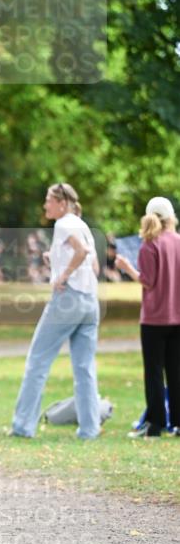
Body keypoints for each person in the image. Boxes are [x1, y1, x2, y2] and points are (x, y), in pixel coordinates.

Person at [10, 183, 101, 440]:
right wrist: (58, 260)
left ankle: (22, 426)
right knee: (85, 368)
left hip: (68, 300)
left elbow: (81, 253)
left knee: (37, 360)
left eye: (49, 200)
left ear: (62, 203)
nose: (45, 205)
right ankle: (89, 429)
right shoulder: (82, 225)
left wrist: (64, 274)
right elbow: (93, 265)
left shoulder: (63, 224)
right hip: (90, 302)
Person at [114, 196, 180, 438]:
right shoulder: (178, 242)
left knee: (154, 372)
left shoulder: (150, 244)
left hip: (154, 319)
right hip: (177, 318)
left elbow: (147, 281)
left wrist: (127, 267)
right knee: (176, 371)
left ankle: (154, 423)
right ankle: (178, 422)